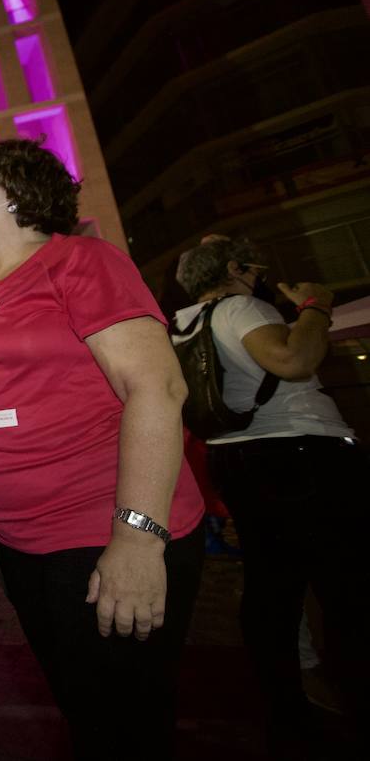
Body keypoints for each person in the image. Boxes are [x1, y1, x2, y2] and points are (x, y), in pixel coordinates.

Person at [0, 139, 205, 759]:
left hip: (102, 530)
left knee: (125, 726)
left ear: (18, 194)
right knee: (83, 709)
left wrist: (137, 538)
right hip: (22, 542)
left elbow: (156, 388)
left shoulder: (80, 261)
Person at [174, 235, 367, 751]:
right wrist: (315, 307)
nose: (259, 278)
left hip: (235, 456)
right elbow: (291, 360)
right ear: (235, 270)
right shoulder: (240, 306)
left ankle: (285, 706)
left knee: (271, 582)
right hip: (300, 451)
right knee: (343, 582)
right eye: (254, 268)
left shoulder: (184, 321)